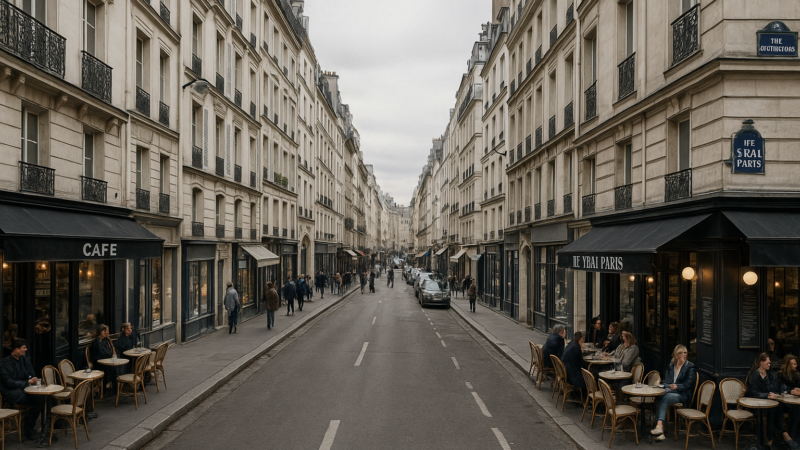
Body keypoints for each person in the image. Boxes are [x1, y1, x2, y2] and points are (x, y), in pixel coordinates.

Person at [0, 339, 44, 440]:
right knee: (37, 400)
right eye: (23, 347)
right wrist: (27, 382)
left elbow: (31, 373)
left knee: (41, 398)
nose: (26, 349)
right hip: (10, 392)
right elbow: (9, 383)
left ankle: (30, 426)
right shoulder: (5, 364)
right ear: (16, 349)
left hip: (24, 388)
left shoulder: (23, 359)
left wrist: (32, 379)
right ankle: (28, 429)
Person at [651, 345, 696, 441]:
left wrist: (677, 386)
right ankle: (660, 430)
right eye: (682, 352)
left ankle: (659, 425)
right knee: (662, 396)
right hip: (670, 390)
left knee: (663, 397)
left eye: (686, 352)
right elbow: (666, 381)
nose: (685, 354)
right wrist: (669, 386)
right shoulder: (671, 366)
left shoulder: (689, 366)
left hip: (682, 394)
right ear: (677, 355)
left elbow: (688, 384)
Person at [777, 355, 800, 447]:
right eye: (792, 364)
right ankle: (787, 438)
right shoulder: (780, 375)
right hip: (783, 402)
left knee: (797, 410)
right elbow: (780, 390)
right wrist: (791, 391)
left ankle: (793, 437)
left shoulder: (797, 375)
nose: (795, 366)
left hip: (794, 402)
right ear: (787, 365)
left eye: (795, 363)